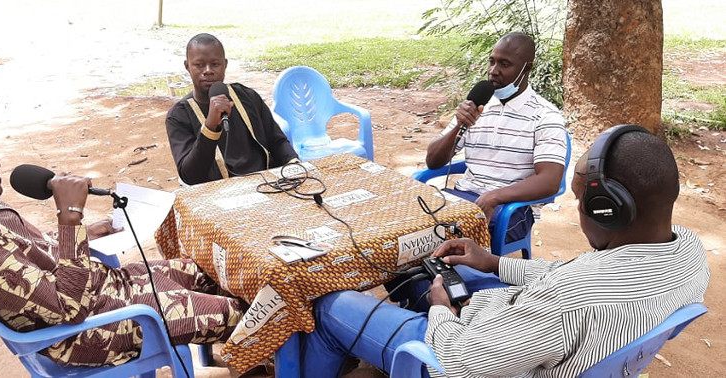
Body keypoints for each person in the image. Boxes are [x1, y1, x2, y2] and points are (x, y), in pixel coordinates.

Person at [302, 125, 710, 377]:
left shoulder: (568, 301)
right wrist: (494, 262)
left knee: (331, 305)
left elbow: (462, 364)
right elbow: (576, 274)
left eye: (581, 198)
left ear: (609, 209)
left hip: (458, 359)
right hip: (526, 337)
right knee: (428, 274)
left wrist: (443, 311)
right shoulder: (688, 251)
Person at [0, 117, 246, 367]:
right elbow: (68, 308)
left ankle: (249, 355)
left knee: (211, 270)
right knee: (246, 314)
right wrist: (70, 218)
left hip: (100, 289)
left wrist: (81, 233)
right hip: (84, 331)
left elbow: (23, 256)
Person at [425, 32, 567, 244]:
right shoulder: (478, 106)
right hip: (463, 200)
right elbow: (433, 161)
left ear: (526, 69)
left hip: (509, 210)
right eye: (492, 61)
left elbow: (550, 181)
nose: (493, 71)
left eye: (504, 64)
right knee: (411, 224)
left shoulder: (545, 116)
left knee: (438, 238)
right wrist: (459, 125)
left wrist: (495, 197)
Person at [165, 33, 298, 185]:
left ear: (225, 64)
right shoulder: (178, 116)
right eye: (199, 65)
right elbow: (191, 176)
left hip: (266, 184)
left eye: (215, 64)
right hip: (217, 194)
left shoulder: (248, 97)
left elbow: (277, 141)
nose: (208, 70)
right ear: (187, 66)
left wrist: (294, 165)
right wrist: (210, 127)